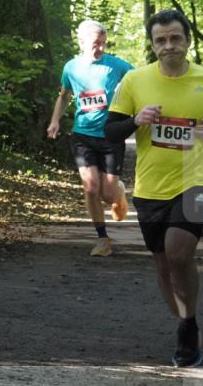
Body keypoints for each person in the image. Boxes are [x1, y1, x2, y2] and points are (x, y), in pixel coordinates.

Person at [105, 9, 203, 367]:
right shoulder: (135, 80)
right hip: (150, 188)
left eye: (175, 38)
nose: (169, 46)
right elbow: (111, 131)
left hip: (197, 182)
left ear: (187, 40)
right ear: (152, 45)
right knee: (163, 262)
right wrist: (136, 120)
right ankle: (186, 322)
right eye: (161, 40)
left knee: (178, 253)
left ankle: (187, 327)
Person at [46, 20, 133, 256]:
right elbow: (64, 96)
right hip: (83, 134)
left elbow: (140, 81)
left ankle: (119, 192)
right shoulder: (71, 68)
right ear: (82, 42)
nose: (101, 48)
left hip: (111, 135)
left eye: (104, 43)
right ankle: (102, 239)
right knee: (91, 187)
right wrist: (55, 120)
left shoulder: (116, 65)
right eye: (96, 43)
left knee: (107, 193)